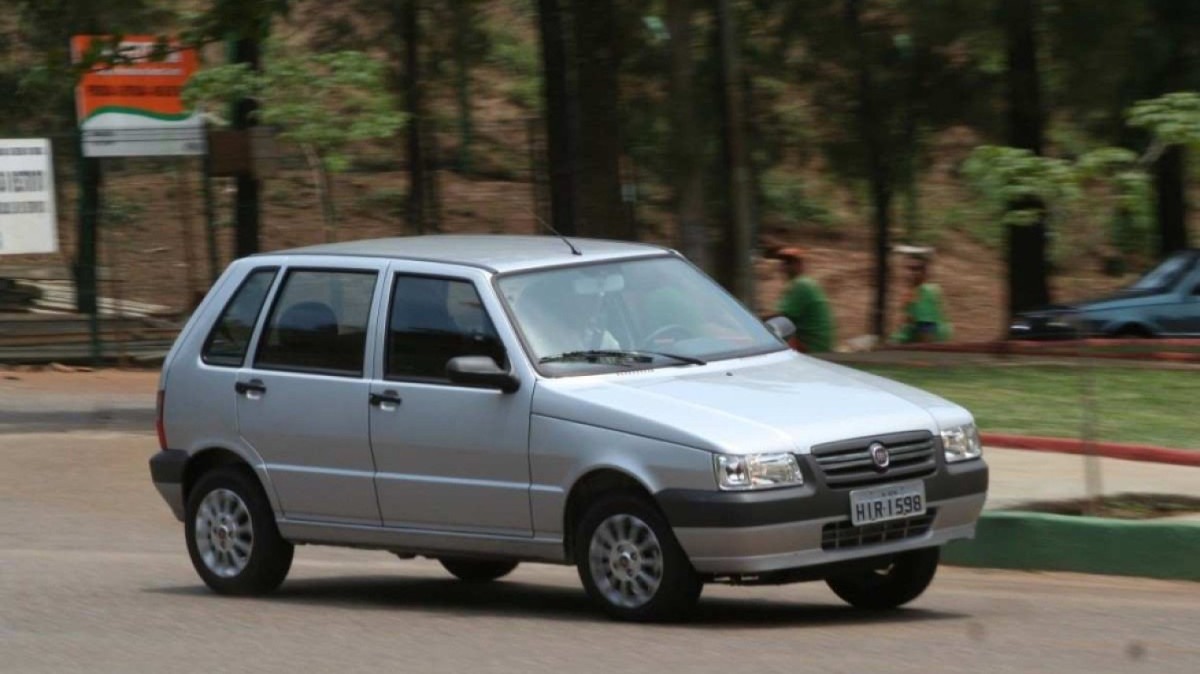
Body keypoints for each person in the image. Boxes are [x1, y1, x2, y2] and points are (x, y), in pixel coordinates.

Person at [774, 247, 834, 353]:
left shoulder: (801, 284)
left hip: (811, 346)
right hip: (813, 343)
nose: (785, 265)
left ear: (800, 265)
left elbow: (781, 317)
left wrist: (753, 321)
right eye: (783, 262)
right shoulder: (801, 283)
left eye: (789, 262)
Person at [892, 253, 952, 344]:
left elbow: (927, 334)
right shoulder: (913, 292)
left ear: (925, 273)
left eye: (915, 269)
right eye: (907, 268)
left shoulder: (925, 294)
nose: (910, 273)